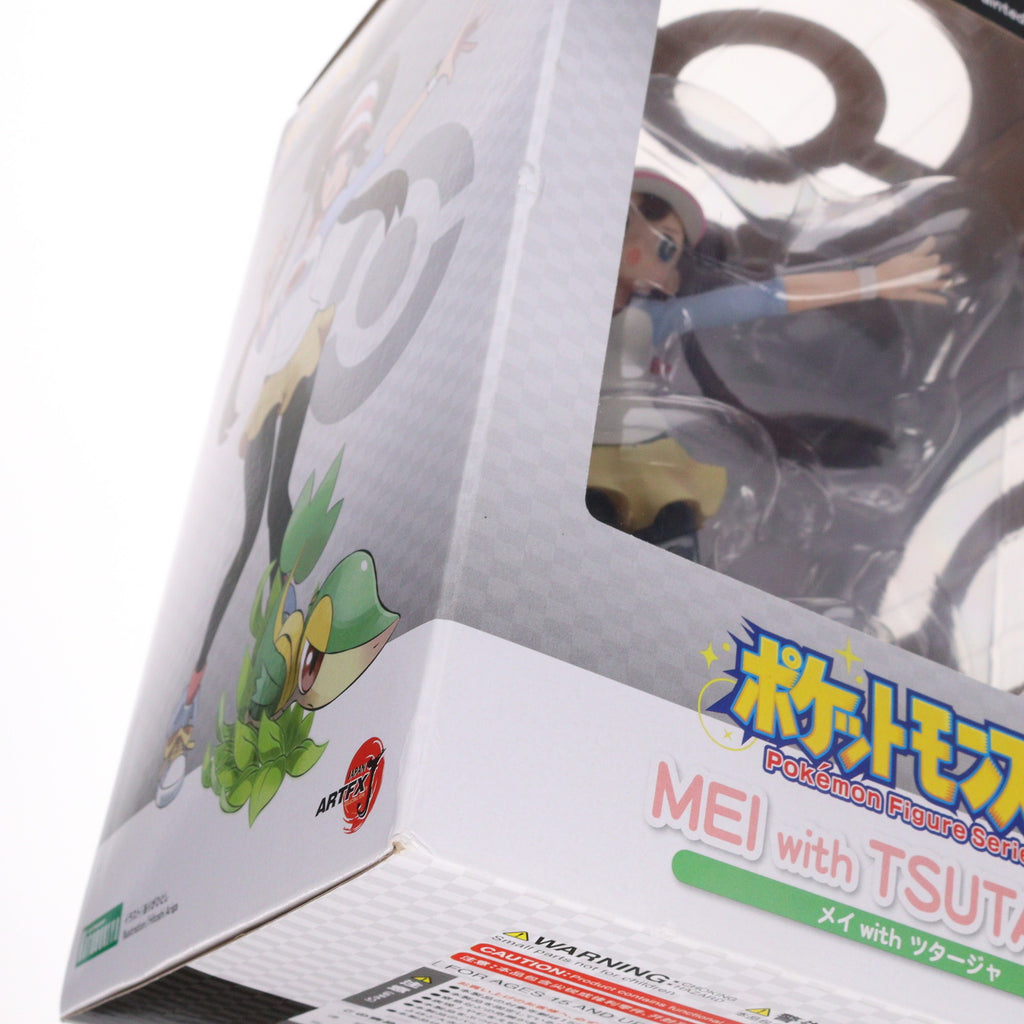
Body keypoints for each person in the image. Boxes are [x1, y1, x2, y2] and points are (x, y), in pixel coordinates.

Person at [157, 15, 481, 804]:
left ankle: (291, 656)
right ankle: (193, 706)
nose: (340, 174)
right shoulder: (298, 238)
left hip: (303, 369)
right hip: (266, 390)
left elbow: (395, 140)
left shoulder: (349, 201)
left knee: (281, 516)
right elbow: (261, 321)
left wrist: (443, 64)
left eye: (346, 164)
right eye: (334, 165)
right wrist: (234, 409)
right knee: (248, 537)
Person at [587, 168, 949, 560]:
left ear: (672, 276)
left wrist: (875, 279)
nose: (636, 246)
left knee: (666, 525)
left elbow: (764, 298)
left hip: (636, 446)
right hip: (586, 438)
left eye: (665, 247)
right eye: (627, 224)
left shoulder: (658, 318)